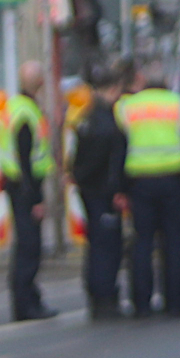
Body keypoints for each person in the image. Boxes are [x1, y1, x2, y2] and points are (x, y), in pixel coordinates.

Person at [116, 59, 180, 318]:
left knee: (142, 244)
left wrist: (120, 188)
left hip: (139, 182)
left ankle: (142, 304)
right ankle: (174, 302)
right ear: (167, 82)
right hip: (173, 182)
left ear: (143, 82)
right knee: (174, 244)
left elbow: (120, 150)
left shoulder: (127, 108)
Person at [68, 62, 129, 320]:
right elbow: (113, 162)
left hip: (89, 189)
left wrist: (78, 178)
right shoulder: (109, 124)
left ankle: (96, 294)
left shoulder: (86, 120)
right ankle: (105, 298)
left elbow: (78, 159)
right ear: (113, 89)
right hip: (104, 191)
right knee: (107, 246)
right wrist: (117, 190)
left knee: (96, 244)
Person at [0, 61, 55, 323]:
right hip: (24, 189)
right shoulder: (26, 112)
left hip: (17, 186)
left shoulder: (15, 107)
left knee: (25, 247)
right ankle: (26, 304)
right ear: (39, 82)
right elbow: (26, 160)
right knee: (29, 248)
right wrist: (36, 199)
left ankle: (28, 300)